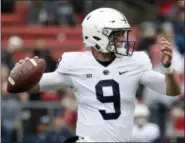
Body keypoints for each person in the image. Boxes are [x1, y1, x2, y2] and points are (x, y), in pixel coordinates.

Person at [11, 8, 181, 142]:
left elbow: (172, 90)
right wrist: (18, 79)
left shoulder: (135, 62)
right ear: (97, 35)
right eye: (116, 34)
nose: (122, 38)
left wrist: (167, 67)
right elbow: (34, 86)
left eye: (122, 33)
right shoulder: (76, 64)